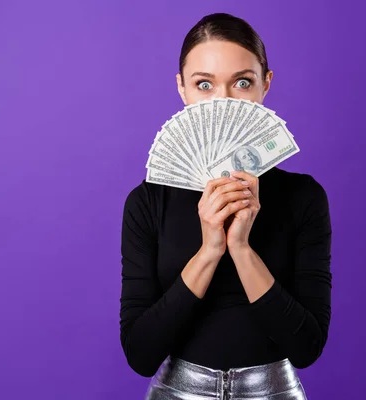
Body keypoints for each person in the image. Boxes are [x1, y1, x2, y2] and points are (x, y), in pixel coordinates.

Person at [119, 12, 332, 400]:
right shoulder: (147, 203)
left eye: (242, 83)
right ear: (182, 89)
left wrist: (240, 248)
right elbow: (140, 353)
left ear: (265, 85)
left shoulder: (303, 198)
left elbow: (306, 348)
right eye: (204, 84)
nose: (223, 103)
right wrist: (211, 249)